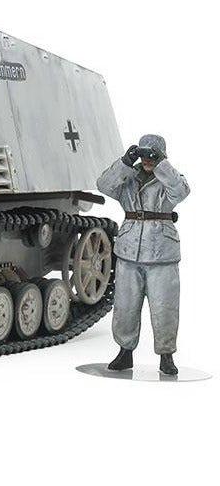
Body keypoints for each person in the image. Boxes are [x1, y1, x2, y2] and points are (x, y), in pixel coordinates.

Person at [96, 135, 189, 374]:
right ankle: (125, 352)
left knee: (165, 307)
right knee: (125, 305)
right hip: (129, 250)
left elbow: (181, 191)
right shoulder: (128, 176)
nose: (147, 158)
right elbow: (103, 185)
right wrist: (125, 162)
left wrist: (162, 165)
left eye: (152, 154)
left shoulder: (168, 177)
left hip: (161, 253)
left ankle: (166, 355)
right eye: (144, 153)